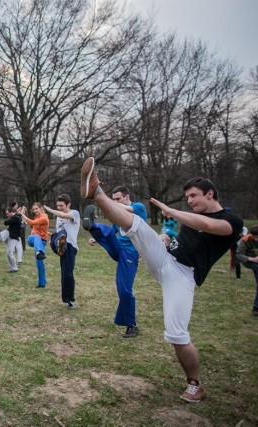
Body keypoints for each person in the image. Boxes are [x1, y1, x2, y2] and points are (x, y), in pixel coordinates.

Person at [80, 156, 243, 403]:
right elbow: (182, 234)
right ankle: (96, 191)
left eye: (193, 196)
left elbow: (207, 225)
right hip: (165, 258)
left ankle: (194, 384)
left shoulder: (231, 221)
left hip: (183, 275)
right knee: (137, 225)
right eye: (187, 197)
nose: (189, 201)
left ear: (210, 194)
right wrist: (166, 239)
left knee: (176, 334)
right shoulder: (192, 214)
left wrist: (172, 211)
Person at [82, 186, 147, 336]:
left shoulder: (138, 207)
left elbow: (126, 210)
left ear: (127, 196)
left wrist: (109, 203)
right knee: (108, 232)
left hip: (130, 254)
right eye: (114, 199)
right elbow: (114, 231)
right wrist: (97, 238)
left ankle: (132, 325)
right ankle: (93, 226)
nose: (116, 201)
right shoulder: (119, 215)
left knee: (124, 290)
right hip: (118, 248)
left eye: (118, 199)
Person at [44, 194, 80, 309]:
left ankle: (69, 300)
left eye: (61, 205)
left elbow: (64, 215)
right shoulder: (59, 217)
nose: (59, 207)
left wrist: (50, 210)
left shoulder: (74, 213)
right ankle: (57, 243)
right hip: (61, 243)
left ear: (69, 204)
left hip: (70, 246)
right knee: (58, 234)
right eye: (57, 205)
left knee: (67, 273)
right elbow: (59, 228)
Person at [18, 203, 50, 288]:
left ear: (41, 208)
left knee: (39, 262)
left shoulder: (44, 217)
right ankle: (39, 252)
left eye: (36, 209)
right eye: (34, 209)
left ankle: (42, 283)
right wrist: (23, 213)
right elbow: (34, 225)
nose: (35, 211)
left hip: (41, 242)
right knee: (36, 237)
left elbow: (32, 222)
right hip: (32, 239)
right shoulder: (37, 216)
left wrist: (22, 214)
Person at [235, 225, 258, 316]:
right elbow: (239, 255)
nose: (256, 239)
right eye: (254, 237)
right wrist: (253, 259)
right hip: (249, 260)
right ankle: (256, 308)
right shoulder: (245, 240)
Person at [0, 207, 22, 272]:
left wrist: (9, 218)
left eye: (7, 213)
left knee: (10, 253)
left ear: (11, 212)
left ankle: (14, 268)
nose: (7, 215)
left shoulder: (15, 218)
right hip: (10, 235)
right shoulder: (15, 217)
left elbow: (6, 222)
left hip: (13, 238)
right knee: (8, 253)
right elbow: (6, 223)